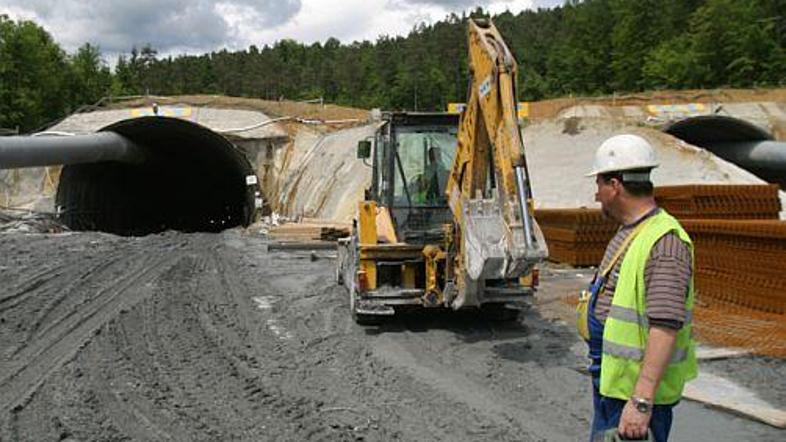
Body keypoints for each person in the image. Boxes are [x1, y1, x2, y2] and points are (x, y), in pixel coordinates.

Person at [584, 134, 697, 442]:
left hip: (635, 398)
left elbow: (665, 326)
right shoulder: (632, 232)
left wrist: (641, 401)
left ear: (615, 186)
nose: (596, 195)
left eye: (599, 185)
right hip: (614, 386)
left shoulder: (665, 243)